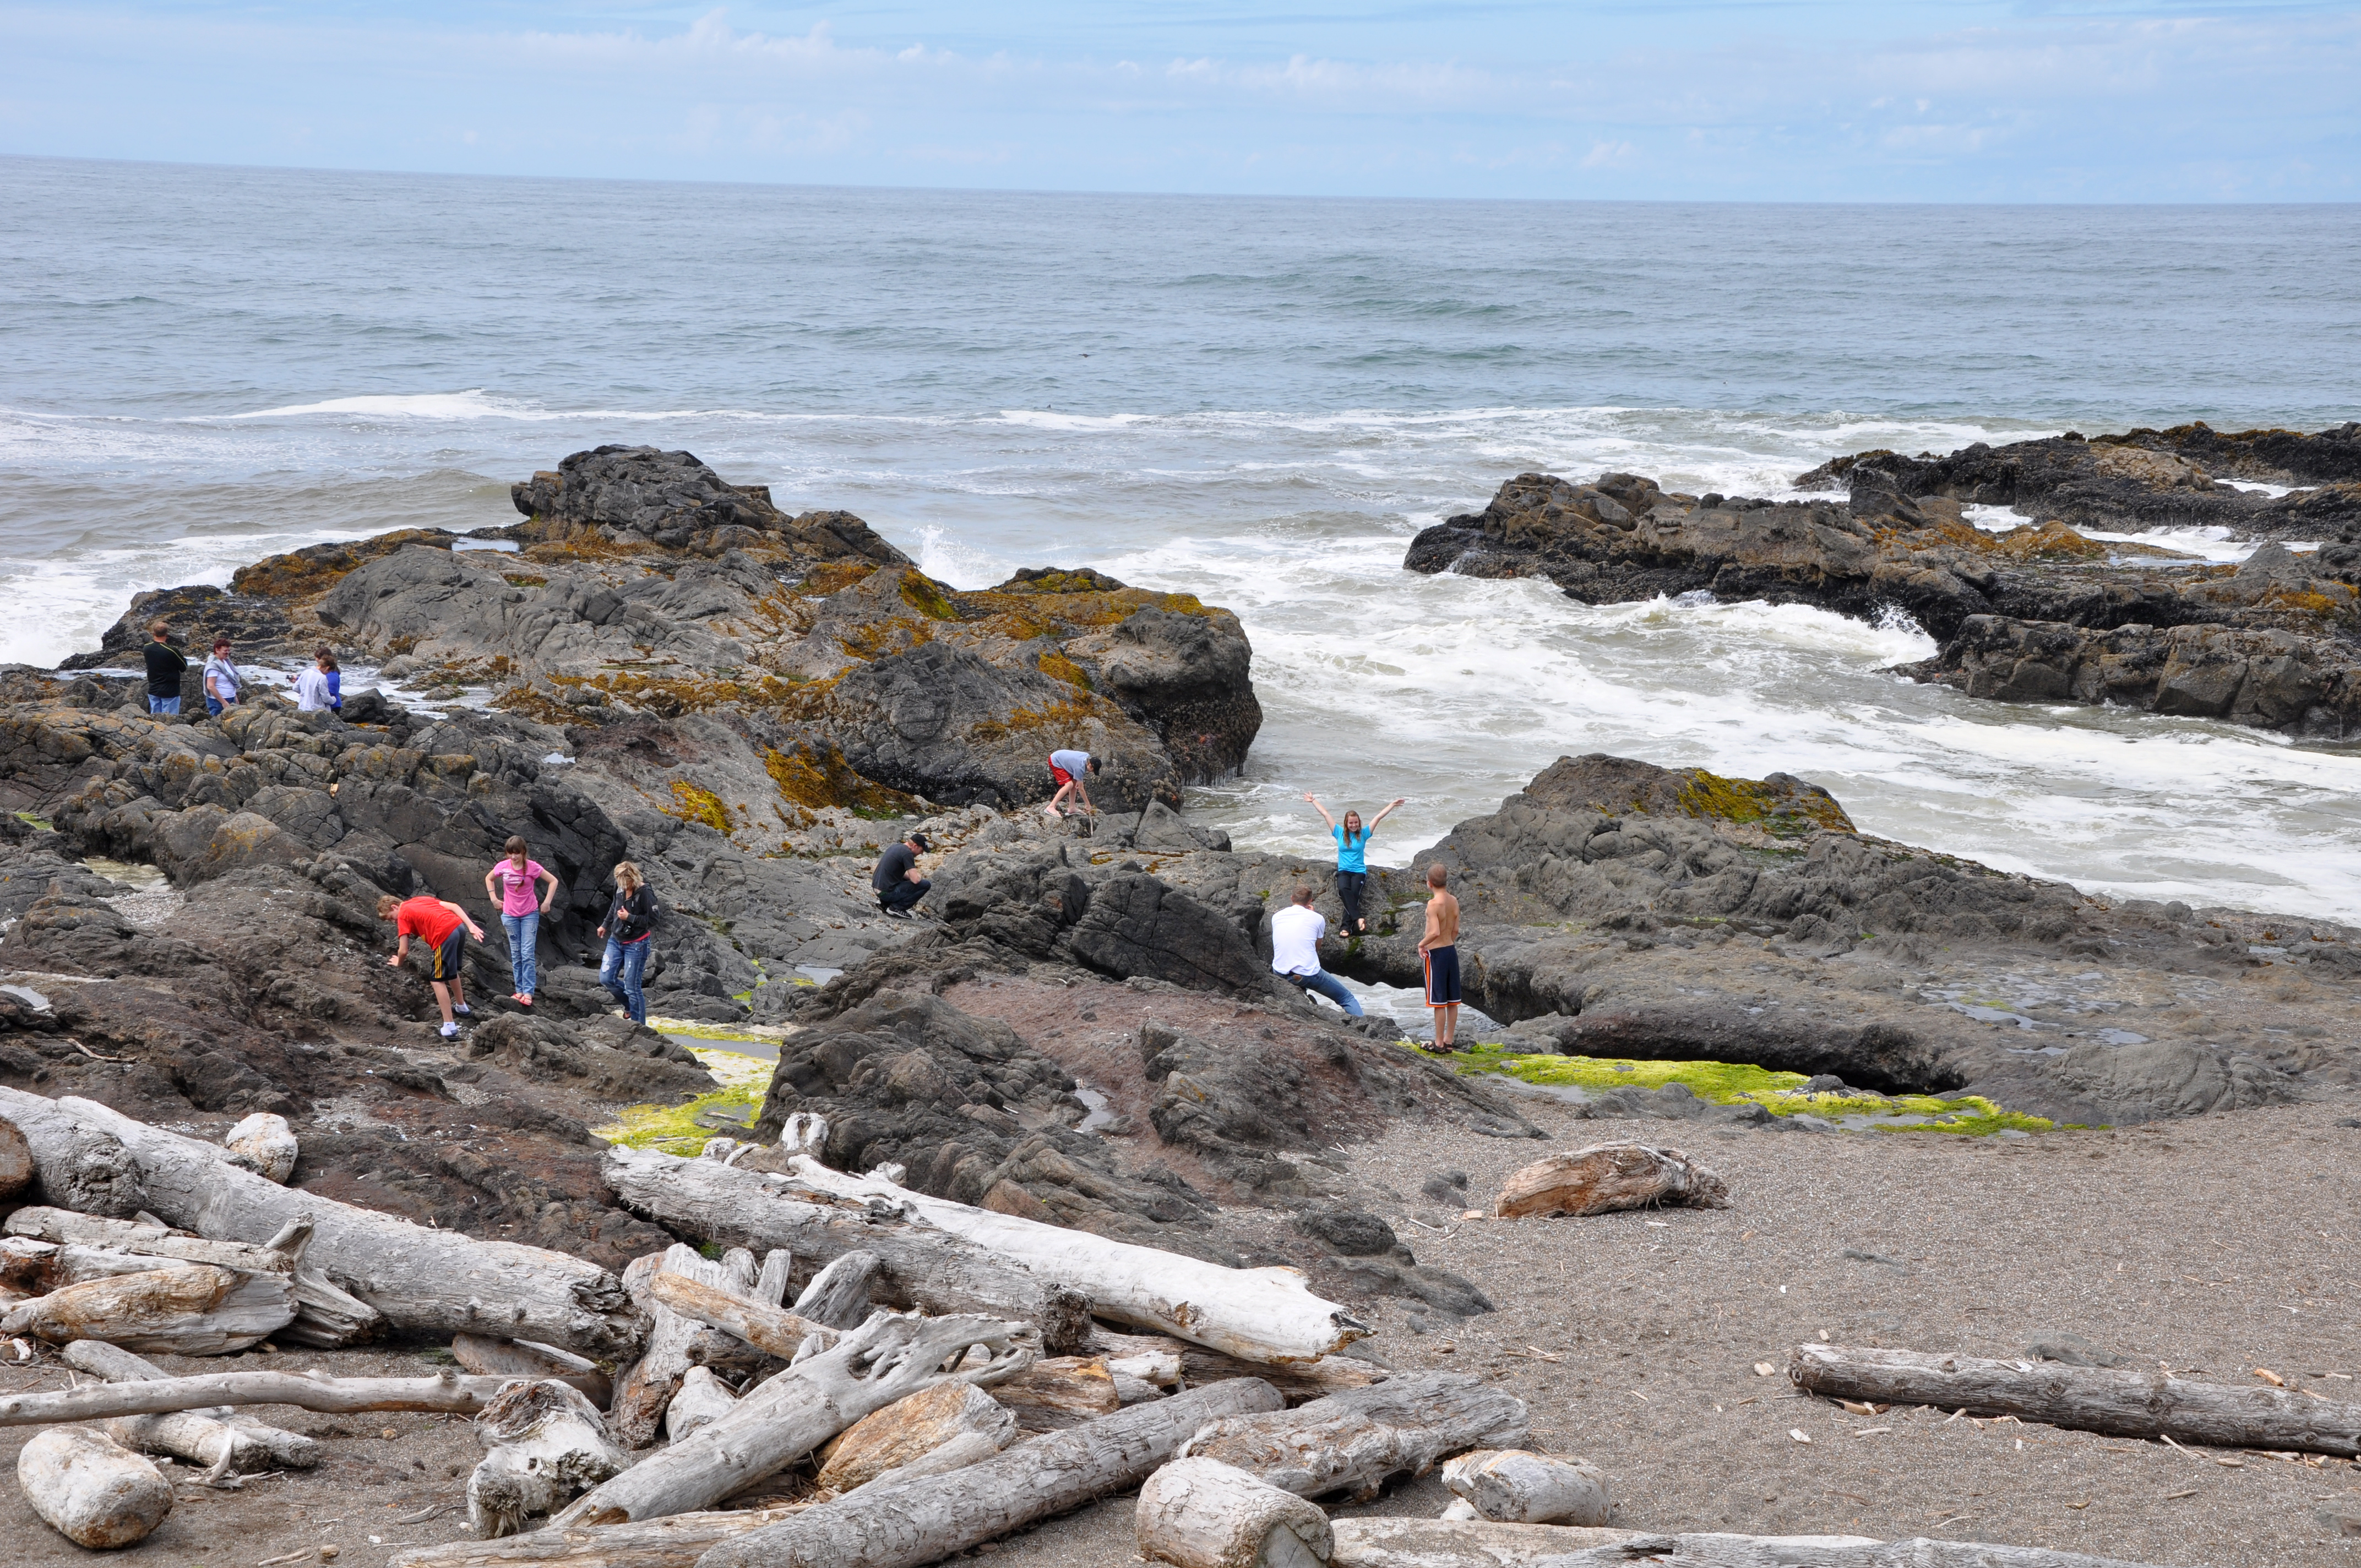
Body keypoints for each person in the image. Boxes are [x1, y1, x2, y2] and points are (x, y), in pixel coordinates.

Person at [379, 890, 486, 1039]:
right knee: (452, 970)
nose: (393, 922)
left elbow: (403, 950)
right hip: (458, 928)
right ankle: (462, 1007)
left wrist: (399, 962)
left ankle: (449, 1026)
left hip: (444, 934)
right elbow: (454, 906)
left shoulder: (403, 914)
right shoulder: (420, 900)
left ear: (394, 907)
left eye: (391, 918)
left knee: (437, 980)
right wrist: (470, 926)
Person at [1302, 792, 1405, 935]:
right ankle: (1358, 918)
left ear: (1359, 823)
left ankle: (1345, 927)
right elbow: (1326, 814)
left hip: (1359, 872)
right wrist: (1313, 800)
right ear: (1346, 823)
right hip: (1344, 870)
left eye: (1356, 822)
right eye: (1351, 823)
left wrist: (1393, 805)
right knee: (1344, 891)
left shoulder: (1364, 834)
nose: (1354, 825)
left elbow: (1379, 817)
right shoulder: (1339, 832)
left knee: (1354, 894)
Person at [483, 835, 560, 1008]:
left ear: (523, 852)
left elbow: (553, 881)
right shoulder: (503, 866)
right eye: (510, 853)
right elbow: (489, 878)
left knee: (527, 953)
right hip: (510, 915)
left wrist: (547, 902)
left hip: (529, 914)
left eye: (516, 853)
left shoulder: (532, 867)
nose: (513, 857)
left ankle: (528, 992)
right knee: (516, 953)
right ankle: (519, 990)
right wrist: (494, 899)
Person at [1269, 886, 1364, 1016]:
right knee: (1346, 998)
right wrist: (1313, 914)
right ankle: (1364, 1025)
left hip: (1280, 971)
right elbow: (1316, 948)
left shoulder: (1276, 916)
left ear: (1292, 898)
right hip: (1307, 974)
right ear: (1310, 901)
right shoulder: (1317, 918)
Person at [596, 861, 659, 1026]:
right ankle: (629, 1005)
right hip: (616, 940)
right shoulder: (620, 888)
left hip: (637, 944)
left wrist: (629, 918)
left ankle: (639, 1028)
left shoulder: (645, 893)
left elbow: (654, 919)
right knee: (606, 978)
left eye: (623, 883)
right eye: (619, 882)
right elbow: (614, 907)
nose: (621, 886)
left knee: (633, 987)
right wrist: (605, 924)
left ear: (631, 879)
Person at [1417, 863, 1462, 1052]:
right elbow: (1455, 930)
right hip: (1451, 952)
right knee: (1453, 1001)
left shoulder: (1433, 905)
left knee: (1439, 1002)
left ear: (1429, 884)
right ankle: (1449, 1040)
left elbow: (1435, 932)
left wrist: (1422, 944)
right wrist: (1448, 942)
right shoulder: (1454, 901)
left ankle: (1438, 1043)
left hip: (1437, 955)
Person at [872, 831, 932, 918]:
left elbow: (896, 872)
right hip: (886, 893)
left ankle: (884, 904)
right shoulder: (907, 853)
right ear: (915, 846)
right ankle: (897, 908)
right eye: (922, 850)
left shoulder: (896, 847)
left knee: (904, 878)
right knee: (926, 885)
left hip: (878, 891)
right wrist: (919, 877)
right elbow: (916, 880)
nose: (921, 853)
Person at [140, 621, 186, 716]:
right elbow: (183, 667)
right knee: (170, 719)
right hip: (170, 691)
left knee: (155, 718)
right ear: (167, 634)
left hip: (153, 688)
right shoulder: (171, 651)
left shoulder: (147, 648)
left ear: (153, 634)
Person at [1045, 749, 1098, 821]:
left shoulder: (1087, 756)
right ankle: (1051, 807)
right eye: (1093, 770)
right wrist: (1088, 804)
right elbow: (1081, 789)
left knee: (1075, 783)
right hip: (1055, 760)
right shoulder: (1080, 768)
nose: (1092, 772)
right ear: (1090, 765)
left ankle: (1072, 808)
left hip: (1061, 758)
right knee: (1069, 785)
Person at [201, 637, 242, 718]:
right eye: (225, 651)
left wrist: (235, 696)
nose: (228, 653)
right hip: (218, 703)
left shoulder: (226, 662)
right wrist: (223, 702)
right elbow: (210, 686)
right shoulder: (213, 666)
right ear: (217, 650)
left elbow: (231, 680)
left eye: (228, 651)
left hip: (231, 698)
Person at [293, 646, 338, 713]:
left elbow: (295, 688)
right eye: (329, 671)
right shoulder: (322, 678)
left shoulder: (306, 672)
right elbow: (326, 699)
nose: (328, 673)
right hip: (316, 711)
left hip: (302, 708)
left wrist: (306, 694)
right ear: (327, 668)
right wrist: (334, 699)